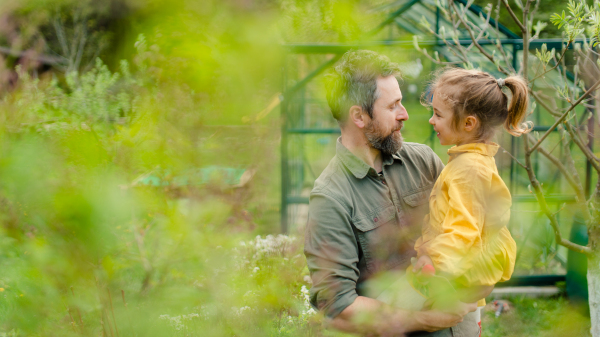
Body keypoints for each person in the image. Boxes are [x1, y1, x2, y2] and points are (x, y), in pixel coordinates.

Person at [304, 50, 488, 336]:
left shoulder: (424, 160)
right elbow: (339, 309)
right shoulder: (330, 198)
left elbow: (470, 226)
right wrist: (429, 319)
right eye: (393, 107)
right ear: (359, 116)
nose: (405, 115)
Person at [410, 68, 527, 332]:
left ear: (468, 123)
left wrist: (432, 261)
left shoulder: (469, 169)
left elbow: (465, 229)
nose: (431, 120)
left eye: (438, 114)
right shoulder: (470, 160)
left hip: (455, 274)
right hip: (461, 272)